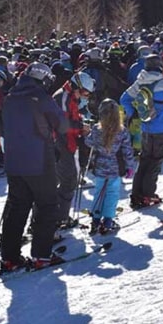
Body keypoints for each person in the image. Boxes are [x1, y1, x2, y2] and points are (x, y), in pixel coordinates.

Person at [0, 62, 68, 272]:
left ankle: (9, 257)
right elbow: (61, 124)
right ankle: (41, 255)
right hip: (39, 159)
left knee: (17, 206)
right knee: (47, 204)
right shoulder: (41, 98)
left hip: (14, 161)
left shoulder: (9, 97)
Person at [120, 54, 163, 209]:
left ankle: (136, 194)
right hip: (161, 128)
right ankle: (148, 194)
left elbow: (123, 99)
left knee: (145, 160)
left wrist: (134, 112)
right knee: (155, 161)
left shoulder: (139, 82)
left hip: (145, 127)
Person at [51, 71, 95, 229]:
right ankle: (57, 218)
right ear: (76, 86)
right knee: (68, 181)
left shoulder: (70, 97)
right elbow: (62, 124)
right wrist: (80, 127)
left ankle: (51, 216)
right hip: (60, 144)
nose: (85, 96)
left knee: (58, 181)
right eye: (84, 92)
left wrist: (81, 122)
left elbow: (70, 118)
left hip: (65, 143)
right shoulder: (63, 97)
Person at [84, 99, 135, 234]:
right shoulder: (122, 131)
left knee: (99, 192)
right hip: (114, 168)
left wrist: (88, 133)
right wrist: (130, 167)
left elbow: (88, 142)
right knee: (112, 194)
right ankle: (107, 220)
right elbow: (127, 150)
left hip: (100, 166)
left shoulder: (96, 129)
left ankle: (95, 218)